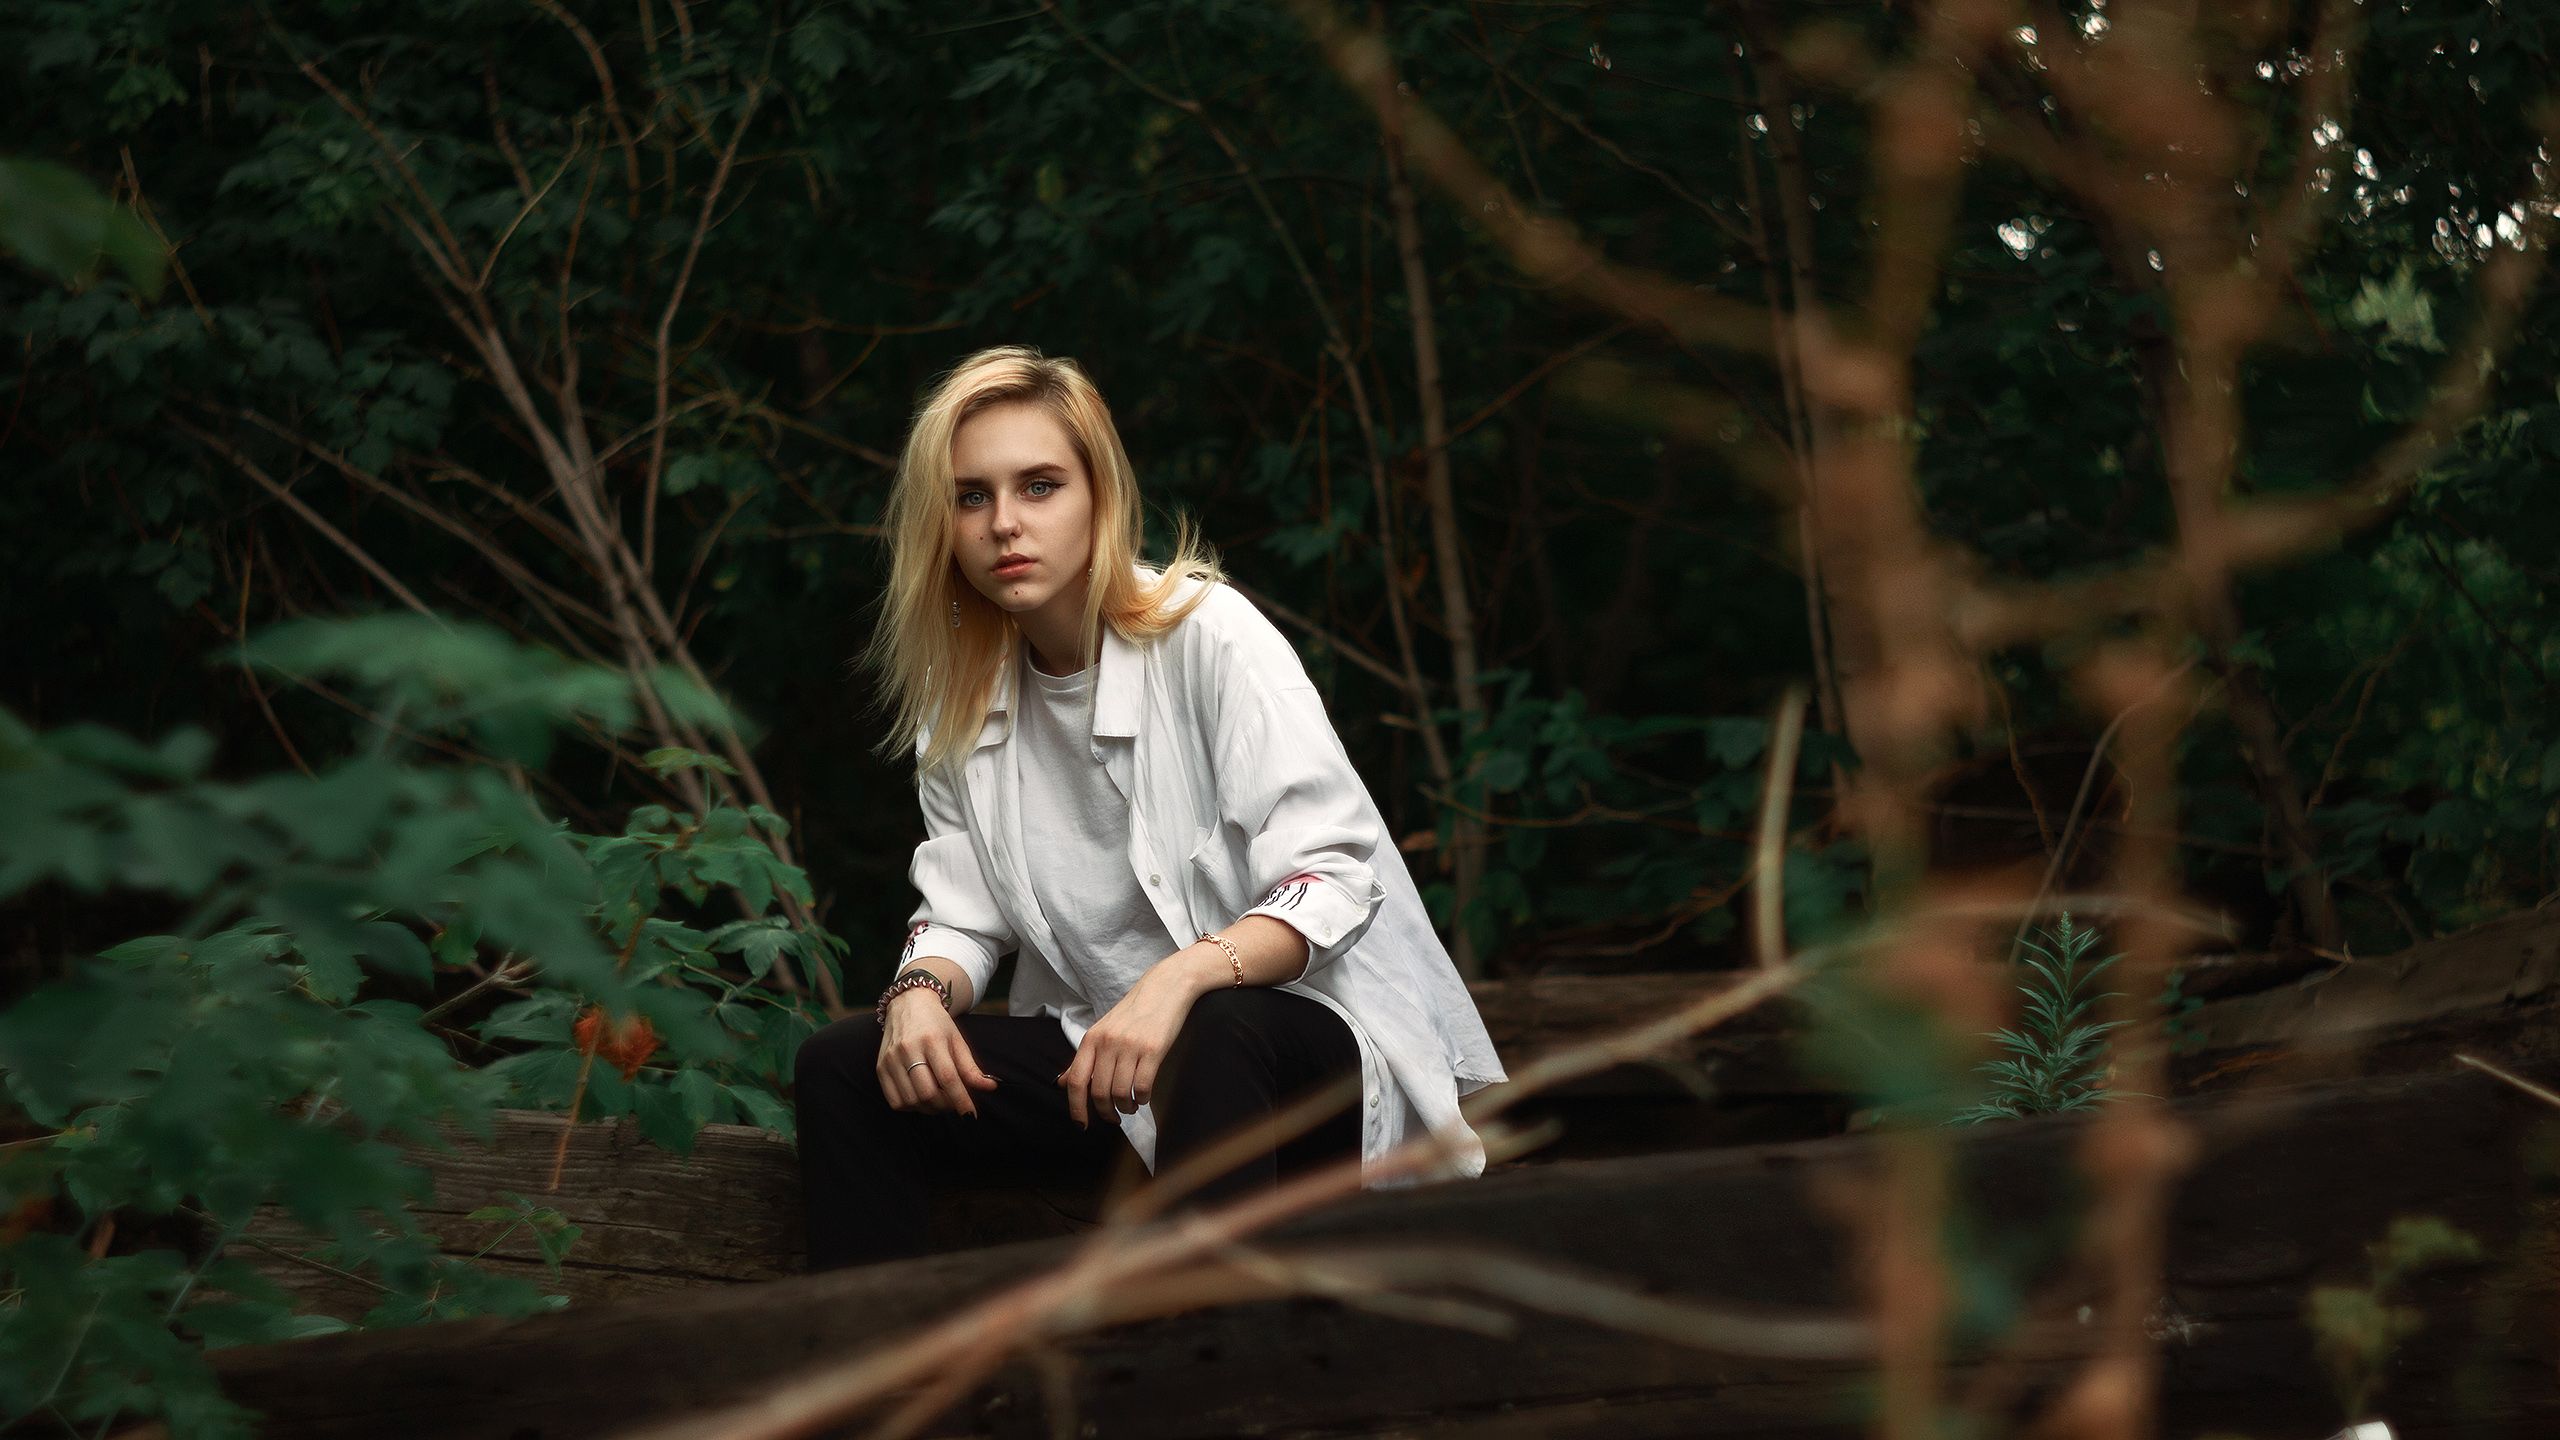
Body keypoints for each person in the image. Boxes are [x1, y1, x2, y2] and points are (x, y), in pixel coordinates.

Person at [793, 345, 1506, 1273]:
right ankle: (874, 1354)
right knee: (846, 1066)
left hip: (1300, 1064)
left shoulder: (1210, 636)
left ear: (1101, 495)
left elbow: (1332, 879)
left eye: (1040, 486)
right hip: (1113, 1073)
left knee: (1216, 1028)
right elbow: (963, 916)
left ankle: (1211, 1347)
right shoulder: (962, 696)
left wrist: (1178, 981)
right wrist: (918, 996)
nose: (1005, 523)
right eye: (972, 496)